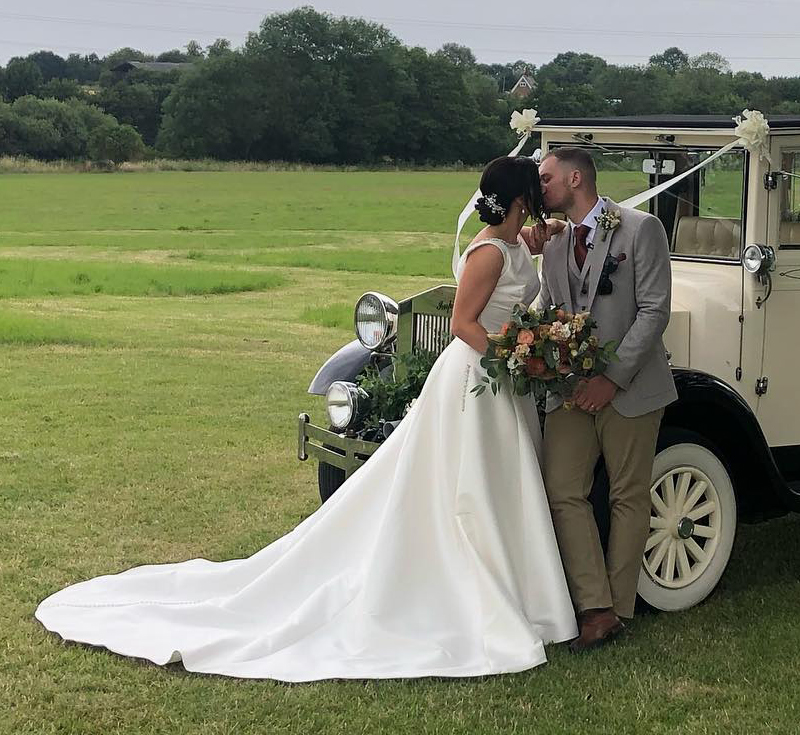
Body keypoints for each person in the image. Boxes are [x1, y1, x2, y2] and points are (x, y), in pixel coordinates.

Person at [34, 157, 579, 682]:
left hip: (498, 378)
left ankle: (515, 586)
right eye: (534, 195)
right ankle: (470, 588)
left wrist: (542, 240)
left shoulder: (511, 243)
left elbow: (517, 267)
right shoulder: (488, 254)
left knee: (500, 482)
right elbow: (463, 322)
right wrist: (515, 355)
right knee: (470, 483)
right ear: (518, 200)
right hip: (476, 376)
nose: (539, 202)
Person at [530, 148, 677, 651]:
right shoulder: (553, 243)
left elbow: (655, 311)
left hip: (631, 390)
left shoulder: (641, 228)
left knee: (627, 495)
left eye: (545, 178)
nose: (540, 187)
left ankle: (615, 610)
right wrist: (525, 345)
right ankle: (591, 602)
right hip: (569, 392)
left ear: (574, 178)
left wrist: (611, 379)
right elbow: (550, 307)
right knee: (562, 489)